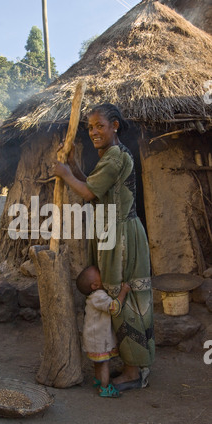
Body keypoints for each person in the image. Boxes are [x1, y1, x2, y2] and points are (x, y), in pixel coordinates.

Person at [54, 103, 155, 392]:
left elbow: (86, 191)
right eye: (90, 127)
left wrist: (63, 173)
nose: (94, 131)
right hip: (113, 233)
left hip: (122, 236)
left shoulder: (115, 158)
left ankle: (135, 372)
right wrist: (72, 165)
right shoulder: (111, 156)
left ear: (115, 126)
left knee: (126, 296)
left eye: (99, 125)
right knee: (116, 294)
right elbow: (91, 187)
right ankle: (128, 365)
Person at [76, 265, 131, 397]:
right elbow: (113, 308)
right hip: (99, 340)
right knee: (105, 364)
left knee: (98, 363)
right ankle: (104, 387)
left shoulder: (93, 296)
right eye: (99, 274)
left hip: (93, 338)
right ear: (95, 285)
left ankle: (98, 381)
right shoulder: (99, 296)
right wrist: (123, 291)